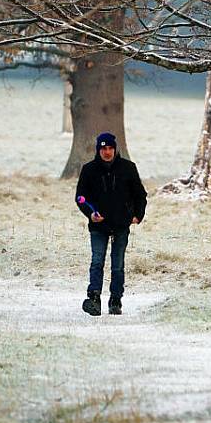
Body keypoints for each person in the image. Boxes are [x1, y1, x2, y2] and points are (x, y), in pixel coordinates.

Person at [75, 132, 147, 316]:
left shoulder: (128, 168)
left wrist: (138, 215)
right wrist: (90, 214)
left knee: (118, 265)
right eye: (103, 149)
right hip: (98, 227)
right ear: (98, 150)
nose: (107, 152)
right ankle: (94, 298)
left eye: (110, 149)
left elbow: (140, 194)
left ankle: (116, 300)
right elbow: (80, 197)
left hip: (121, 225)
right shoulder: (89, 170)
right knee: (97, 261)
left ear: (115, 149)